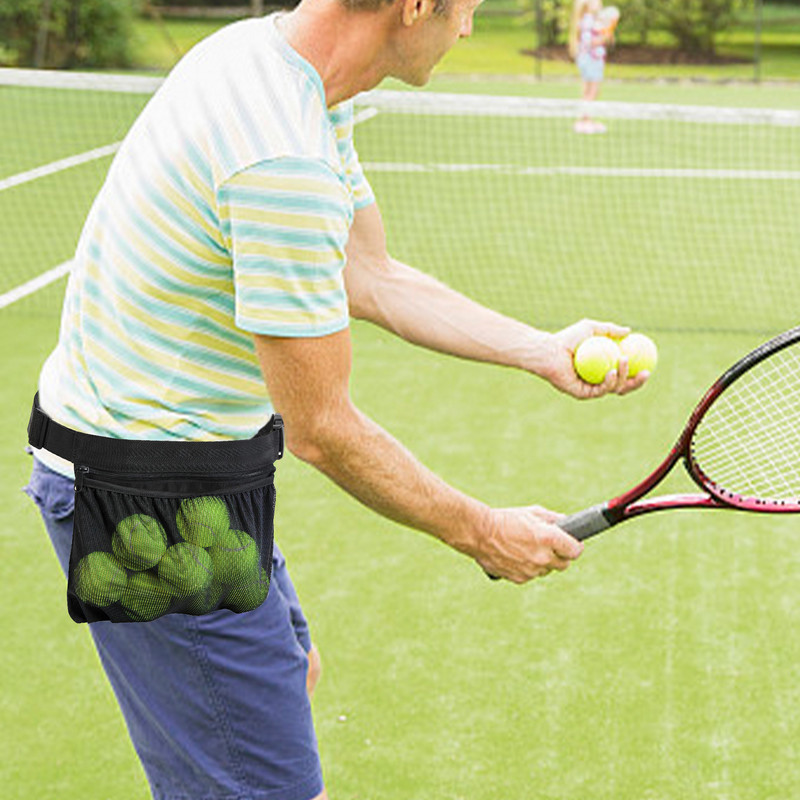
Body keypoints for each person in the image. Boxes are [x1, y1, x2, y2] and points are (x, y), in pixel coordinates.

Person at [23, 0, 649, 797]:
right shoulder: (283, 159)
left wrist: (541, 348)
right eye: (467, 10)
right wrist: (483, 532)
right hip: (148, 503)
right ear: (415, 5)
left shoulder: (281, 69)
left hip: (190, 469)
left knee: (284, 686)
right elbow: (322, 429)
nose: (466, 30)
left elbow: (370, 273)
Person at [569, 0, 613, 134]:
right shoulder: (589, 20)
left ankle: (585, 120)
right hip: (591, 59)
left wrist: (607, 34)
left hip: (590, 59)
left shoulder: (593, 20)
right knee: (592, 91)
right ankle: (585, 121)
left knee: (588, 91)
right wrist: (604, 38)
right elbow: (589, 41)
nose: (599, 3)